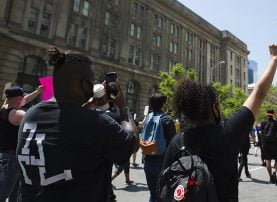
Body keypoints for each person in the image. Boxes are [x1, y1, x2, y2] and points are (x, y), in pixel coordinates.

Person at [16, 46, 138, 202]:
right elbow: (132, 144)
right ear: (84, 85)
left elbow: (67, 119)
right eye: (91, 82)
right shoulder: (94, 122)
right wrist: (123, 107)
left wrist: (91, 103)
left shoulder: (31, 115)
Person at [162, 44, 277, 201]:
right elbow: (258, 93)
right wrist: (274, 58)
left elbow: (165, 184)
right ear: (214, 108)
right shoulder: (227, 133)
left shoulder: (177, 142)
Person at [0, 86, 42, 202]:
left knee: (14, 190)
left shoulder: (4, 109)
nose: (23, 100)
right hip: (11, 158)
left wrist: (37, 92)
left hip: (7, 157)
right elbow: (34, 115)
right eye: (22, 98)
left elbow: (24, 100)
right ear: (18, 99)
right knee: (4, 192)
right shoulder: (17, 114)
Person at [143, 93, 176, 202]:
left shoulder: (148, 117)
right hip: (162, 162)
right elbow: (173, 143)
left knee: (153, 194)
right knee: (163, 194)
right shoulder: (167, 119)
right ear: (163, 104)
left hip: (148, 159)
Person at [260, 109, 277, 185]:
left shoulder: (263, 123)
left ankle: (270, 177)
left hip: (266, 144)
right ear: (273, 114)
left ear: (267, 114)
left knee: (268, 160)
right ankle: (274, 172)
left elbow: (261, 135)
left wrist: (262, 144)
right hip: (274, 143)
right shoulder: (276, 123)